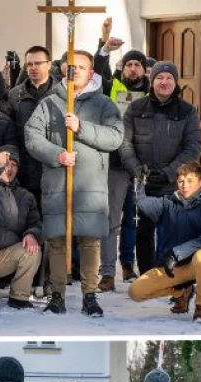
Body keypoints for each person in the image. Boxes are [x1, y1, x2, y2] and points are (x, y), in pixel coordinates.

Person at [24, 50, 124, 317]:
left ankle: (89, 295)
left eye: (81, 67)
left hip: (91, 184)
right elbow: (32, 136)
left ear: (91, 72)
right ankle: (56, 294)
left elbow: (115, 137)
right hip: (59, 182)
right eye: (71, 67)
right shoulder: (49, 103)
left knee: (90, 241)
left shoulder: (104, 104)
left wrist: (81, 128)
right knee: (57, 240)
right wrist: (56, 154)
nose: (75, 71)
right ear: (62, 70)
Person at [118, 61, 201, 279]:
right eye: (159, 78)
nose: (164, 82)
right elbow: (125, 143)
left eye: (169, 78)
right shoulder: (136, 108)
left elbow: (193, 146)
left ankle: (173, 278)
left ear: (176, 83)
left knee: (173, 233)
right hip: (143, 183)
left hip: (174, 184)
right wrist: (137, 170)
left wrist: (169, 172)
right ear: (152, 80)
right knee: (143, 232)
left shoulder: (187, 111)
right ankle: (149, 277)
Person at [127, 161, 201, 323]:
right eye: (181, 181)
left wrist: (177, 253)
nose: (185, 185)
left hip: (196, 266)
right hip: (170, 269)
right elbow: (141, 202)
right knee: (135, 292)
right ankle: (180, 293)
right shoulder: (167, 203)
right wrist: (139, 182)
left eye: (190, 181)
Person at [100, 46, 152, 288]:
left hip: (143, 168)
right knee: (112, 220)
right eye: (129, 64)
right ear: (124, 67)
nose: (133, 69)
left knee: (134, 220)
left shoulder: (153, 94)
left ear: (144, 69)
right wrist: (103, 50)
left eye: (137, 65)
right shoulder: (113, 86)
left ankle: (129, 266)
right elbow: (99, 72)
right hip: (116, 165)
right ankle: (108, 272)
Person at [0, 146, 43, 309]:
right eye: (5, 164)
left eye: (13, 165)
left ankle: (19, 296)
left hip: (4, 259)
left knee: (32, 249)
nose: (8, 169)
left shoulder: (26, 196)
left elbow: (36, 223)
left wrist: (32, 234)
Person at [7, 46, 58, 204]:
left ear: (49, 64)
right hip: (25, 171)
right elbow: (10, 131)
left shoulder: (63, 94)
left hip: (54, 169)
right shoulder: (15, 95)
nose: (33, 68)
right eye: (29, 64)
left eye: (38, 63)